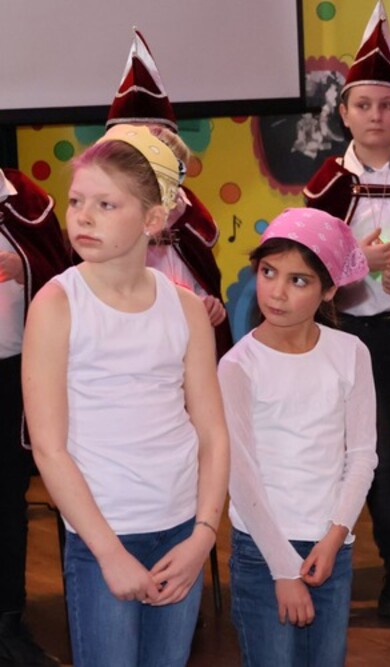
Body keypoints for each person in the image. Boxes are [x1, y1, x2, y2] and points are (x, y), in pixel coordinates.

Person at [20, 124, 230, 666]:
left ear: (153, 219)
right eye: (76, 201)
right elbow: (50, 448)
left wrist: (203, 534)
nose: (83, 217)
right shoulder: (57, 305)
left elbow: (212, 432)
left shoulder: (185, 308)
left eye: (106, 204)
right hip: (102, 536)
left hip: (181, 530)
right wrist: (108, 553)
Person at [303, 0, 390, 618]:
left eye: (387, 104)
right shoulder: (326, 184)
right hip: (358, 338)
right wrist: (361, 264)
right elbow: (305, 271)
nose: (376, 116)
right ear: (344, 113)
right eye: (364, 105)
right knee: (381, 460)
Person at [219, 208, 377, 666]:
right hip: (263, 551)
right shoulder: (238, 366)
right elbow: (240, 475)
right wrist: (284, 569)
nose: (277, 291)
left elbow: (362, 456)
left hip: (332, 546)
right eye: (268, 272)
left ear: (328, 290)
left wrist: (334, 538)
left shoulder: (350, 352)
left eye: (298, 280)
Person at [107, 28, 234, 359]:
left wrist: (209, 304)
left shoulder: (189, 213)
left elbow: (202, 276)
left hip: (189, 342)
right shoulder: (106, 216)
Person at [0, 169, 69, 667]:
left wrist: (24, 267)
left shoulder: (26, 201)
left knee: (7, 499)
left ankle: (8, 620)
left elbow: (63, 272)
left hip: (13, 376)